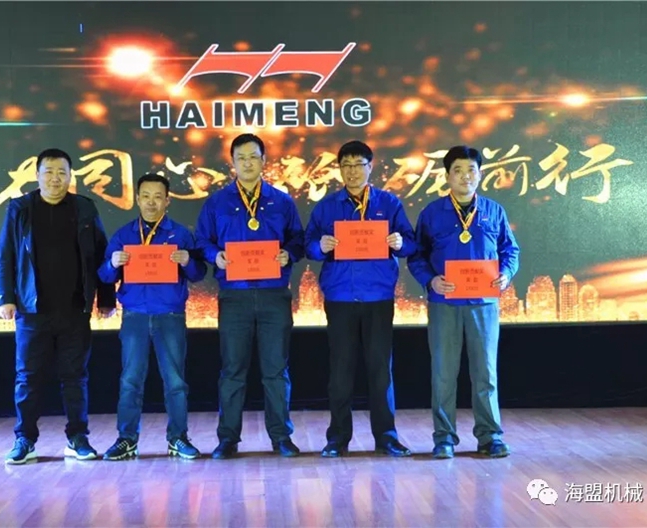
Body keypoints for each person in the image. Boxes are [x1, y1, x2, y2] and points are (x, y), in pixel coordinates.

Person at [0, 147, 116, 465]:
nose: (55, 178)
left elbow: (101, 254)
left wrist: (106, 298)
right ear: (37, 175)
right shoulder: (20, 208)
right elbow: (5, 254)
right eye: (48, 171)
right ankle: (25, 440)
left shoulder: (84, 208)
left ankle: (78, 438)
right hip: (31, 310)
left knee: (75, 377)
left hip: (75, 308)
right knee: (28, 377)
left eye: (62, 172)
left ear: (70, 176)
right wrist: (5, 297)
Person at [194, 133, 305, 459]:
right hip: (235, 296)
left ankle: (281, 437)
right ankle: (228, 438)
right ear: (232, 162)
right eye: (241, 158)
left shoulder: (282, 201)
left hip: (274, 295)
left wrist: (288, 253)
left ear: (263, 161)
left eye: (253, 157)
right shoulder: (217, 202)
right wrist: (215, 256)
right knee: (232, 371)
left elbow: (298, 240)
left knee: (276, 370)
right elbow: (201, 241)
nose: (247, 163)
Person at [304, 140, 417, 458]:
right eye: (346, 165)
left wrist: (399, 243)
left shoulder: (389, 203)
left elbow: (411, 243)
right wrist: (320, 247)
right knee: (340, 372)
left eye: (359, 165)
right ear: (339, 169)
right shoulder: (327, 206)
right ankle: (337, 438)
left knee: (380, 370)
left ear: (371, 167)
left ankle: (387, 437)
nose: (353, 171)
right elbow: (307, 244)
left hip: (378, 296)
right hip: (340, 296)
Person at [407, 145, 520, 459]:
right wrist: (431, 280)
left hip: (484, 304)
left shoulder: (494, 211)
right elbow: (416, 256)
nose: (465, 176)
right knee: (443, 374)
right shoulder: (432, 213)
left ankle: (490, 437)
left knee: (485, 373)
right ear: (447, 176)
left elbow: (510, 250)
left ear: (480, 174)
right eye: (457, 170)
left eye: (471, 170)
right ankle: (444, 438)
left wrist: (506, 274)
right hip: (445, 303)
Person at [97, 173, 207, 460]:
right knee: (130, 380)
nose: (151, 202)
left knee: (175, 382)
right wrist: (112, 263)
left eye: (158, 197)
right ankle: (126, 439)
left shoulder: (180, 234)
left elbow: (199, 273)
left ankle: (178, 438)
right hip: (134, 316)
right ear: (137, 199)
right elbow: (104, 275)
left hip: (170, 316)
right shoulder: (124, 235)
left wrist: (188, 261)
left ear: (167, 201)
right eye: (146, 196)